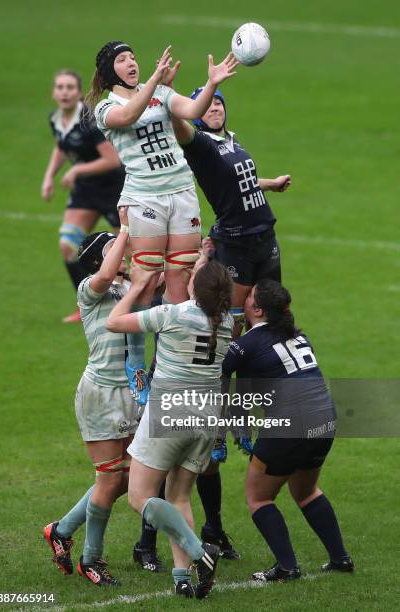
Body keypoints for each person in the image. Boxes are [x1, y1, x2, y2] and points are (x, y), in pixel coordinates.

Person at [169, 82, 291, 550]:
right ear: (199, 114)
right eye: (209, 105)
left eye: (219, 103)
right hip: (236, 242)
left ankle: (265, 402)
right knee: (233, 328)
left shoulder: (231, 140)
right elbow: (183, 123)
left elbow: (236, 183)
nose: (216, 108)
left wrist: (269, 185)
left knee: (275, 318)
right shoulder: (196, 141)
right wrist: (199, 86)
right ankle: (228, 415)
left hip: (263, 236)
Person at [86, 40, 237, 403]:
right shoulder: (106, 107)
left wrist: (212, 83)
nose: (131, 63)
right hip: (145, 198)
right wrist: (155, 81)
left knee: (179, 279)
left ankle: (171, 362)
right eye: (122, 60)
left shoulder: (160, 91)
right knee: (144, 279)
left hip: (181, 193)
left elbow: (191, 109)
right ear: (110, 72)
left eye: (132, 57)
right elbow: (129, 117)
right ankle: (137, 362)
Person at [106, 254, 233, 599]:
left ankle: (199, 554)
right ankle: (181, 577)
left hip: (170, 413)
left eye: (193, 275)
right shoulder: (225, 323)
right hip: (206, 419)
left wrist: (136, 287)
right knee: (179, 497)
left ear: (197, 287)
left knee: (140, 496)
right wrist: (206, 259)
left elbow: (114, 323)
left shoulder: (174, 314)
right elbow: (206, 289)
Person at [222, 279, 354, 581]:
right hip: (325, 419)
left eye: (249, 295)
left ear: (256, 308)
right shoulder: (298, 335)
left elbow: (219, 369)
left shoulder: (247, 343)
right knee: (305, 492)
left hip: (290, 424)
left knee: (258, 497)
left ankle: (286, 567)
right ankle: (340, 558)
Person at [43, 208, 140, 586]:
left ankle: (62, 530)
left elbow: (155, 278)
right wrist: (126, 228)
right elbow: (103, 274)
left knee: (129, 478)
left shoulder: (126, 287)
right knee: (109, 478)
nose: (125, 249)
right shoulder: (90, 289)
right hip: (100, 394)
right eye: (116, 247)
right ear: (103, 257)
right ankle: (90, 560)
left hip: (128, 392)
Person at [41, 69, 125, 322]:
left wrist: (77, 169)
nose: (64, 92)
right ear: (54, 92)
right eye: (60, 87)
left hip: (113, 189)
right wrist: (49, 177)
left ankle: (127, 302)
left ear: (78, 93)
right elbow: (62, 146)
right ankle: (85, 305)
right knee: (67, 244)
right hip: (86, 191)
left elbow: (113, 159)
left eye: (69, 87)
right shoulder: (56, 118)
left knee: (126, 252)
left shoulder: (88, 120)